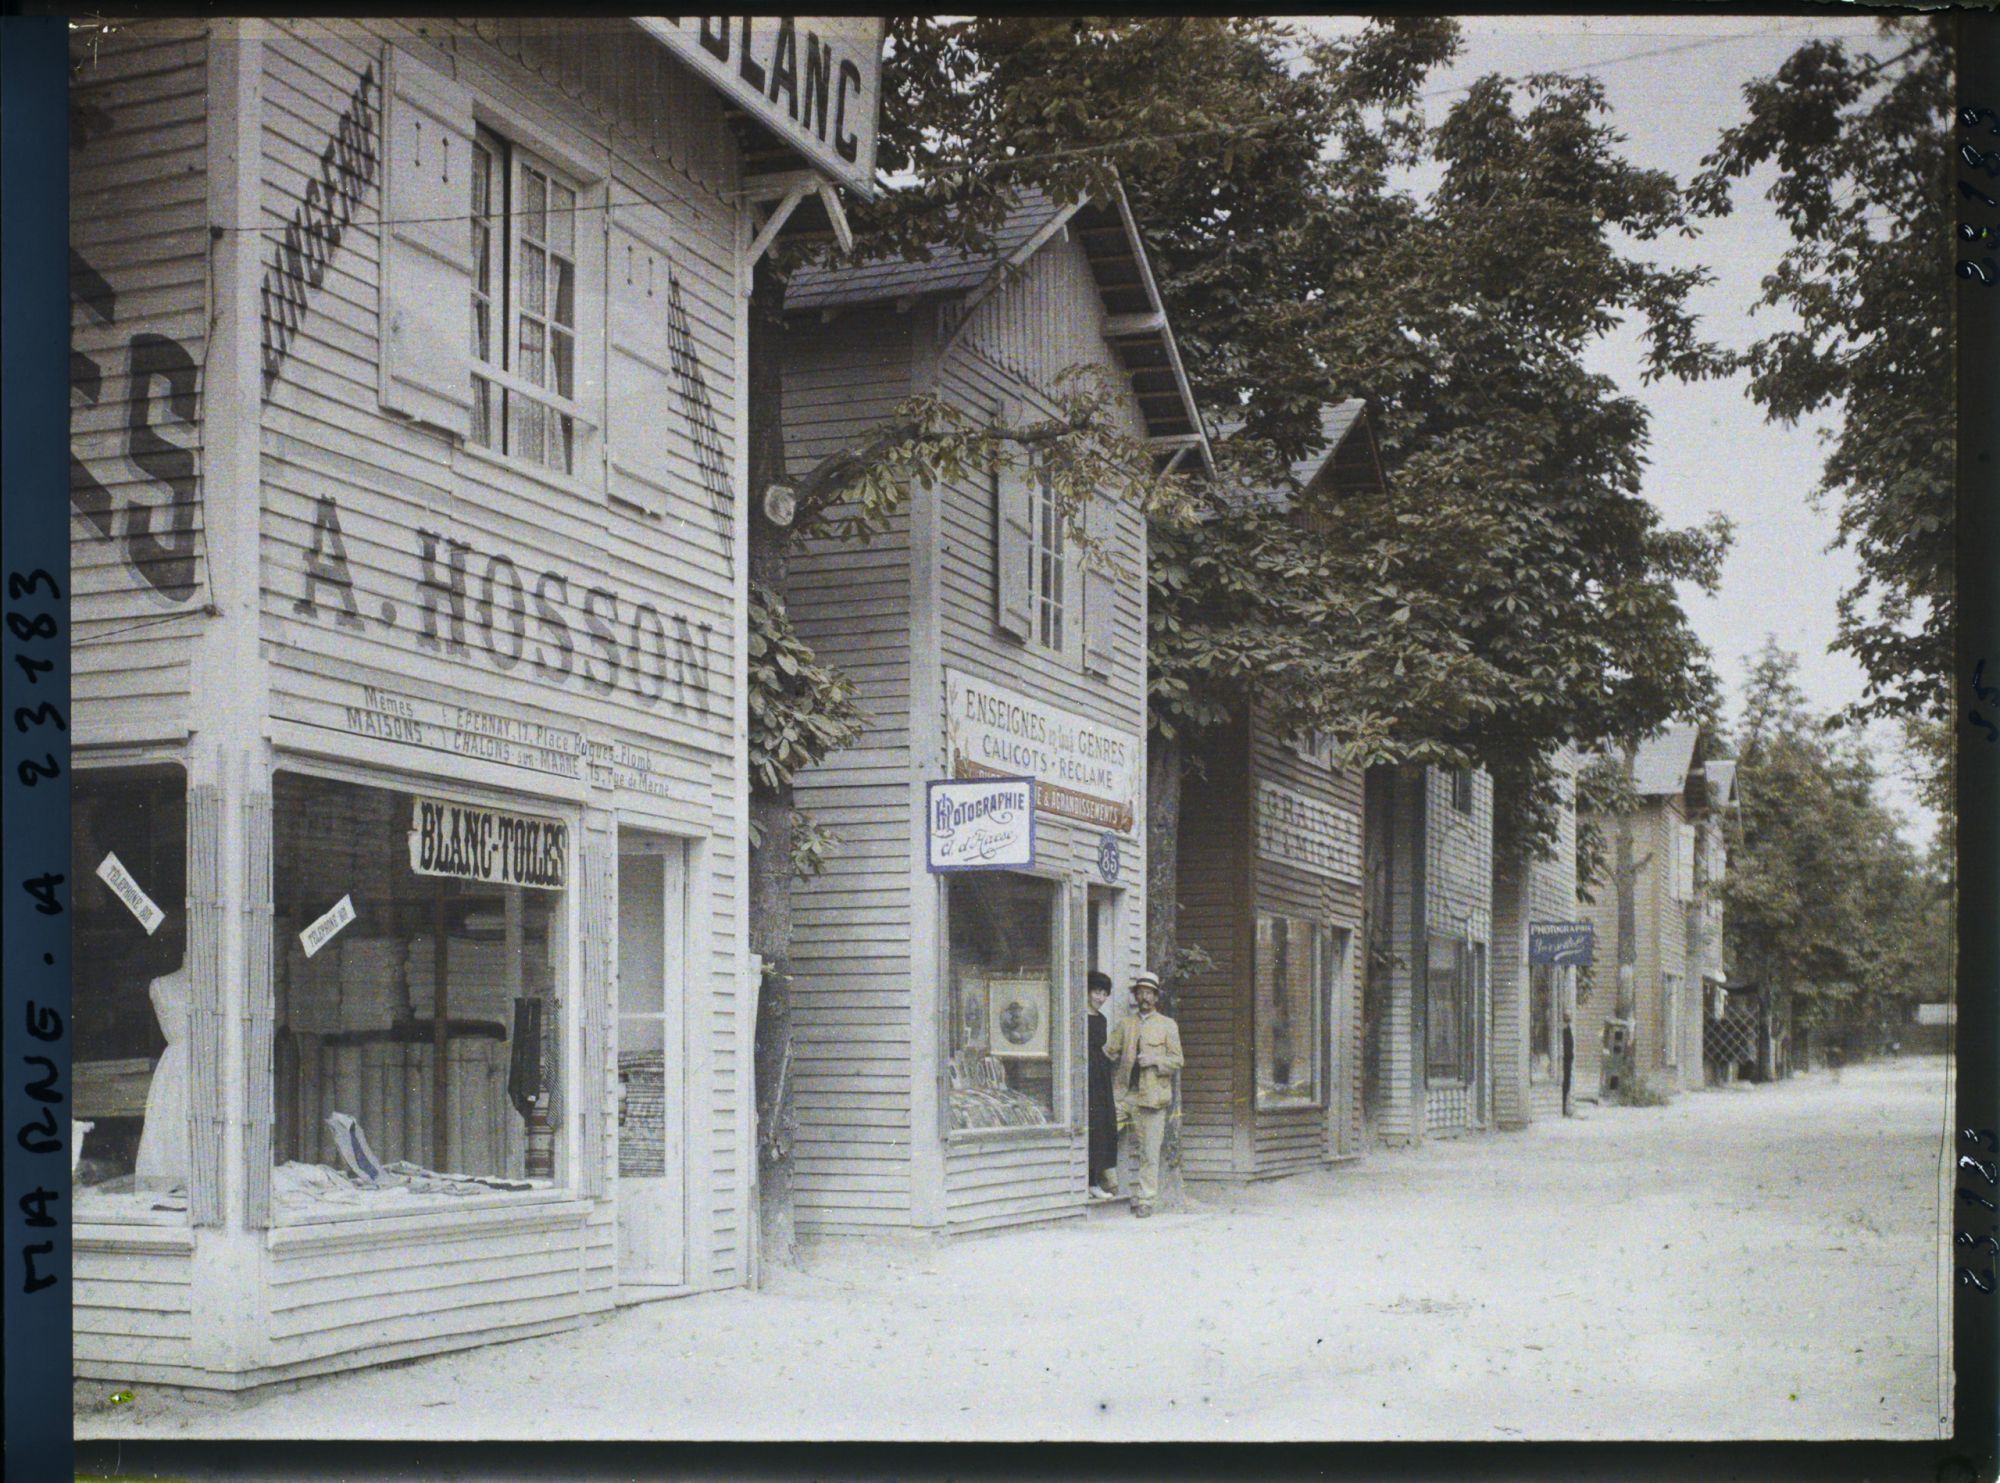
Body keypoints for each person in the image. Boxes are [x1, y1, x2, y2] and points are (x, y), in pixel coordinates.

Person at [1105, 970, 1182, 1218]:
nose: (1144, 997)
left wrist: (1154, 1060)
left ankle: (1146, 1200)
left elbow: (1178, 1061)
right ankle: (1110, 1182)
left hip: (1152, 1098)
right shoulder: (1126, 1024)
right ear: (1135, 996)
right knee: (1104, 1133)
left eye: (1149, 993)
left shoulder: (1167, 1025)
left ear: (1156, 997)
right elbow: (1109, 1051)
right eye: (1141, 992)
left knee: (1149, 1151)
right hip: (1124, 1095)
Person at [1085, 971, 1119, 1198]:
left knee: (1102, 1124)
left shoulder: (1102, 1019)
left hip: (1100, 1075)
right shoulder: (1079, 1016)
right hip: (1085, 1072)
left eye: (1104, 994)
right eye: (1097, 992)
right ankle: (1088, 1181)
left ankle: (1096, 1180)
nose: (1100, 998)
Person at [1560, 1009, 1576, 1118]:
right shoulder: (1563, 1030)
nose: (1568, 1018)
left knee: (1567, 1084)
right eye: (1567, 1016)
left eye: (1569, 1015)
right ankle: (1563, 1109)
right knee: (1565, 1084)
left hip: (1568, 1060)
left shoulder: (1568, 1029)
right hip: (1564, 1060)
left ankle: (1566, 1108)